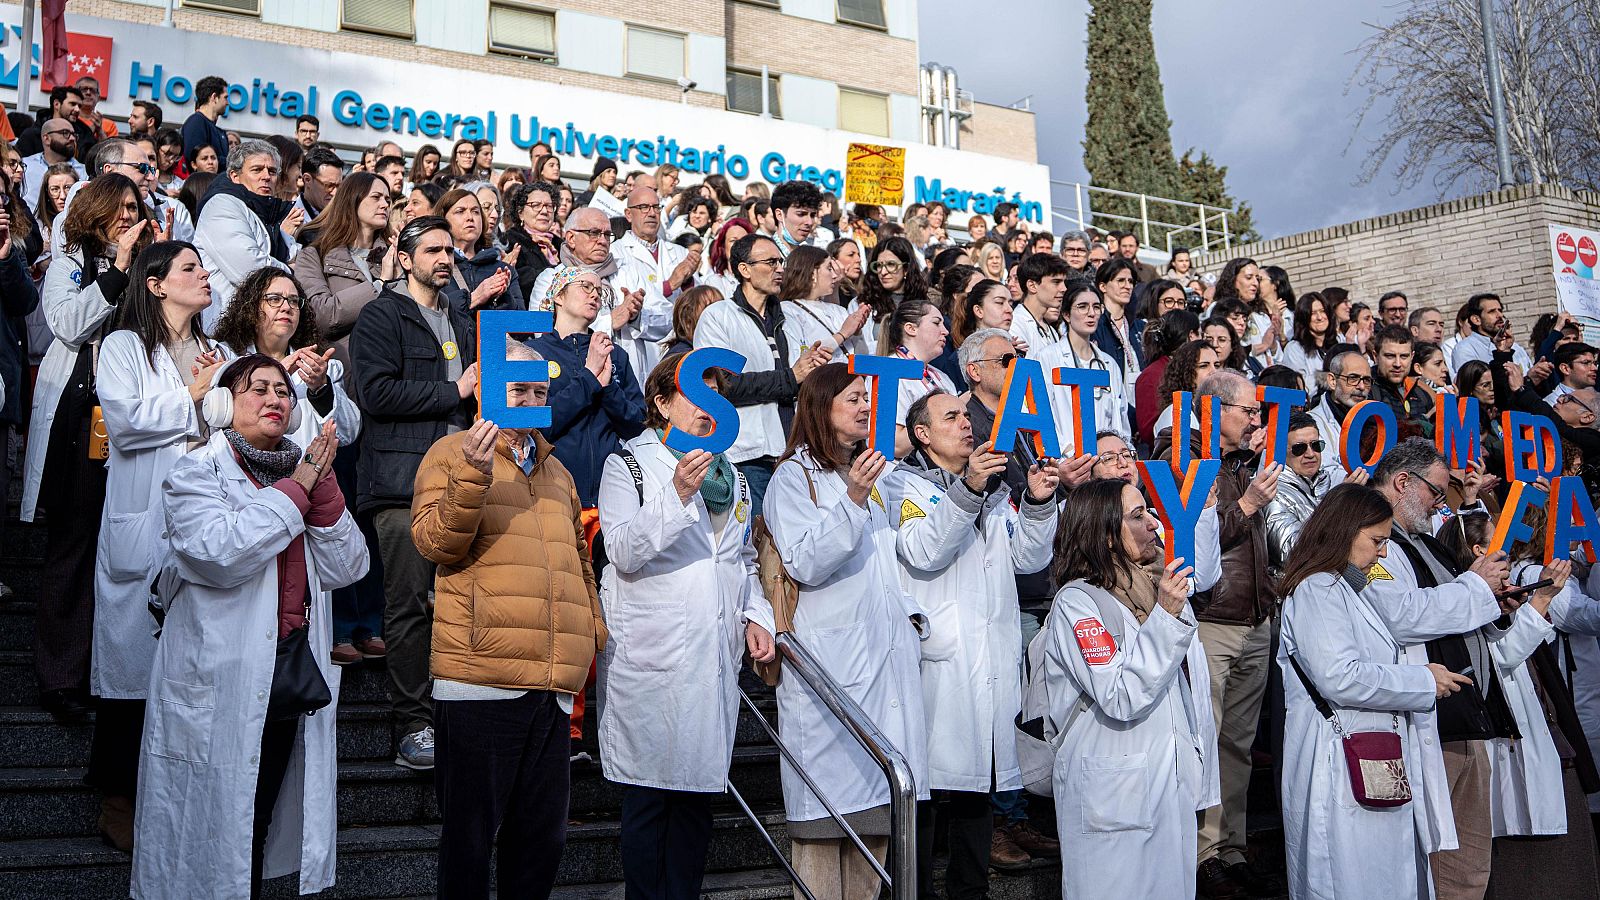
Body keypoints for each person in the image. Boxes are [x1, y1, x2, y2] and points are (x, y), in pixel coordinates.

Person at [131, 354, 367, 900]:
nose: (274, 399)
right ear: (224, 405)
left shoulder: (303, 474)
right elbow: (219, 551)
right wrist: (298, 489)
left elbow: (347, 567)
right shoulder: (195, 471)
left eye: (282, 391)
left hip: (282, 675)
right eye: (256, 389)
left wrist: (323, 491)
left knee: (254, 820)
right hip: (216, 678)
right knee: (206, 826)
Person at [409, 340, 605, 900]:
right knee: (469, 844)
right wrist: (472, 474)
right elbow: (434, 543)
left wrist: (592, 631)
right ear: (492, 392)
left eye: (539, 392)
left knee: (539, 845)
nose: (528, 400)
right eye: (517, 389)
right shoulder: (451, 453)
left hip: (551, 685)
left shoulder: (559, 472)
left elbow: (580, 561)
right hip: (479, 681)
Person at [596, 356, 775, 899]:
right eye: (697, 393)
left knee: (696, 807)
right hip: (651, 660)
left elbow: (742, 560)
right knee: (649, 805)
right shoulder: (626, 465)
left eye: (717, 394)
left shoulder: (735, 478)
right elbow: (623, 551)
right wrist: (675, 495)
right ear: (662, 403)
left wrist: (756, 616)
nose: (709, 407)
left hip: (710, 660)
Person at [764, 362, 930, 892]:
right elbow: (805, 563)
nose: (865, 406)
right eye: (853, 398)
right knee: (821, 865)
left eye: (867, 398)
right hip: (829, 682)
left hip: (881, 676)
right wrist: (852, 500)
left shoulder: (878, 474)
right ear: (820, 408)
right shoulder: (792, 477)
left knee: (871, 867)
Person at [892, 390, 1057, 897]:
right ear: (922, 434)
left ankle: (971, 892)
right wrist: (968, 489)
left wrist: (1036, 500)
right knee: (923, 792)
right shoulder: (900, 486)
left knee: (976, 790)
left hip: (987, 658)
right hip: (935, 657)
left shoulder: (994, 489)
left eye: (967, 415)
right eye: (952, 416)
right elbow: (924, 550)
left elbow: (1027, 559)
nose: (967, 423)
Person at [94, 241, 231, 852]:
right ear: (155, 284)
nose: (204, 276)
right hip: (144, 522)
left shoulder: (217, 352)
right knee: (132, 668)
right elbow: (123, 421)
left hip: (203, 519)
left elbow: (232, 418)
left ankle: (176, 801)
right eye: (190, 269)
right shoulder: (122, 345)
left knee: (192, 671)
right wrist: (195, 396)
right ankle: (118, 798)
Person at [1276, 482, 1475, 900]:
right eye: (1377, 541)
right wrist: (1423, 681)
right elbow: (1340, 677)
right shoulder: (1318, 589)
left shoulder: (1348, 588)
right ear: (1346, 531)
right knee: (1348, 878)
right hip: (1337, 756)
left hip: (1374, 748)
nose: (1383, 553)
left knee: (1381, 876)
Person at [22, 174, 154, 732]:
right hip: (79, 418)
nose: (128, 215)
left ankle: (109, 673)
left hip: (132, 419)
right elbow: (66, 323)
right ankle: (60, 677)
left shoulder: (150, 260)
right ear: (96, 209)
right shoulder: (71, 257)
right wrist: (118, 270)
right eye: (119, 206)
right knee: (74, 546)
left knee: (120, 548)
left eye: (134, 206)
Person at [350, 216, 480, 771]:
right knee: (407, 607)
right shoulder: (381, 315)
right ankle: (413, 723)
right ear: (405, 260)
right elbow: (376, 394)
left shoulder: (461, 317)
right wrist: (454, 390)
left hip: (464, 478)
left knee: (461, 604)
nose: (444, 258)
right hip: (404, 484)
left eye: (450, 249)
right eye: (431, 250)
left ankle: (455, 714)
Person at [1039, 478, 1211, 897]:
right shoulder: (1077, 604)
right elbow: (1121, 696)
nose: (1154, 524)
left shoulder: (1158, 591)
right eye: (1138, 516)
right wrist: (1167, 618)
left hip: (1164, 787)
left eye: (1149, 512)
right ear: (1105, 533)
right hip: (1113, 793)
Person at [1362, 439, 1517, 900]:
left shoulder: (1424, 542)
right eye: (1436, 490)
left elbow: (1456, 604)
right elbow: (1400, 614)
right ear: (1403, 481)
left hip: (1467, 713)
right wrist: (1475, 586)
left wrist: (1493, 599)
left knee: (1469, 859)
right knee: (1433, 859)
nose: (1439, 502)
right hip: (1427, 718)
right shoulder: (1372, 541)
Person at [1159, 370, 1283, 900]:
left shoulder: (1240, 459)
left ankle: (1231, 848)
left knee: (1236, 744)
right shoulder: (1181, 453)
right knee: (1205, 743)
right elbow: (1188, 531)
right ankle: (1201, 854)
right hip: (1212, 617)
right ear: (1214, 410)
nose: (1257, 421)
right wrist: (1250, 501)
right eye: (1248, 411)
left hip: (1253, 616)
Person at [693, 233, 829, 515]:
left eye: (781, 261)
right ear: (744, 269)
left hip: (795, 455)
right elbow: (720, 386)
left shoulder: (791, 320)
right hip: (747, 455)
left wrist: (814, 371)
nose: (780, 268)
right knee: (754, 545)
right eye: (771, 262)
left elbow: (800, 379)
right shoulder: (718, 316)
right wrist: (792, 377)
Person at [525, 265, 646, 509]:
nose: (595, 295)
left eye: (599, 291)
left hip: (611, 495)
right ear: (558, 296)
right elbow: (536, 427)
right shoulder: (533, 354)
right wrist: (589, 378)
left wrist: (609, 388)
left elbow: (637, 425)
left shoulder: (615, 354)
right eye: (586, 287)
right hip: (554, 492)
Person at [293, 171, 396, 382]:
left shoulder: (394, 257)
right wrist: (379, 285)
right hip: (345, 372)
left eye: (387, 199)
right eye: (376, 197)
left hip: (392, 372)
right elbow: (320, 315)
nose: (385, 204)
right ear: (352, 200)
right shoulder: (314, 255)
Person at [193, 140, 299, 325]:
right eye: (257, 170)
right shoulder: (221, 205)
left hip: (259, 327)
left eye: (272, 171)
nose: (266, 176)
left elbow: (297, 255)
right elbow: (250, 268)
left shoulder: (269, 214)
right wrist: (290, 270)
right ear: (235, 176)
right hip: (224, 328)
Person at [607, 185, 696, 379]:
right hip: (638, 346)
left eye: (656, 207)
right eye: (644, 207)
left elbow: (692, 304)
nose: (652, 213)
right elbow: (632, 301)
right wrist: (669, 285)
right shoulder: (616, 254)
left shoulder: (679, 252)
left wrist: (688, 282)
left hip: (676, 345)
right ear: (629, 214)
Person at [1035, 280, 1130, 448]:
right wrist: (1065, 450)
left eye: (1096, 307)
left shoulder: (1109, 364)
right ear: (1066, 315)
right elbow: (1042, 413)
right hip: (1066, 458)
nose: (1091, 313)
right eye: (1082, 306)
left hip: (1105, 460)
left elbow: (1121, 419)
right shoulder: (1047, 357)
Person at [1265, 412, 1344, 580]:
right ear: (1281, 451)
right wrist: (1340, 508)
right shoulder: (1272, 493)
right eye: (1299, 448)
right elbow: (1293, 553)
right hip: (1297, 590)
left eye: (1316, 446)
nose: (1310, 454)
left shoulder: (1327, 483)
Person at [877, 298, 956, 457]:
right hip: (903, 476)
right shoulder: (889, 371)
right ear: (911, 328)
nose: (945, 331)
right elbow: (894, 444)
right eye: (936, 323)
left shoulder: (941, 377)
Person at [432, 187, 521, 313]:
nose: (470, 217)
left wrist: (502, 297)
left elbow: (522, 327)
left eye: (475, 211)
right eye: (460, 211)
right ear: (443, 219)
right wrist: (474, 298)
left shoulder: (503, 270)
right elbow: (427, 311)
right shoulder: (434, 265)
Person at [779, 245, 871, 362]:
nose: (834, 275)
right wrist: (843, 334)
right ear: (812, 274)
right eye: (829, 268)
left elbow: (863, 360)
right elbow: (800, 361)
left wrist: (857, 331)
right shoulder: (788, 310)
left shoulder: (839, 310)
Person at [1308, 349, 1372, 475]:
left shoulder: (1375, 420)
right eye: (1353, 378)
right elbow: (1323, 474)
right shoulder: (1313, 423)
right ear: (1332, 381)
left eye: (1366, 380)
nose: (1361, 387)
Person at [502, 182, 562, 300]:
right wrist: (557, 273)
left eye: (549, 206)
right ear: (520, 213)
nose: (544, 211)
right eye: (536, 205)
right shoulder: (510, 241)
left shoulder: (561, 245)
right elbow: (520, 279)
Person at [1371, 325, 1436, 431]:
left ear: (1412, 356)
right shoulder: (1366, 391)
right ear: (1375, 356)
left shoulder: (1421, 392)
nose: (1397, 364)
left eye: (1404, 356)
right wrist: (1424, 419)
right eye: (1390, 356)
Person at [1092, 256, 1145, 386]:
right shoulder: (1094, 325)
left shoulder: (1141, 327)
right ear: (1103, 286)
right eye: (1120, 281)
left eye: (1131, 281)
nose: (1127, 286)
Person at [1009, 252, 1070, 356]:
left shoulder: (1051, 330)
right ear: (1032, 285)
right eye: (1056, 282)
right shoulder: (1015, 324)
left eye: (1064, 282)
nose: (1064, 289)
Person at [21, 118, 86, 212]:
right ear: (46, 138)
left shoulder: (84, 172)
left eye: (74, 135)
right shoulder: (25, 166)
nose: (72, 138)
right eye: (65, 133)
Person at [1280, 292, 1333, 393]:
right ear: (1304, 317)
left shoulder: (1339, 341)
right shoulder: (1294, 348)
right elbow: (1299, 385)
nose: (1320, 317)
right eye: (1313, 313)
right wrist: (1329, 378)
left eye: (1323, 311)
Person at [1450, 293, 1510, 371]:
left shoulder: (1513, 346)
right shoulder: (1465, 349)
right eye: (1492, 311)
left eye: (1500, 310)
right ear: (1476, 320)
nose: (1500, 315)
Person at [180, 75, 231, 170]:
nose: (228, 103)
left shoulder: (220, 132)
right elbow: (193, 157)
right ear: (214, 97)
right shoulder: (196, 122)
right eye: (225, 98)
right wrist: (233, 162)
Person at [771, 179, 824, 258]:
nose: (809, 222)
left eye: (812, 215)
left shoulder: (811, 257)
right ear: (779, 215)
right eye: (801, 214)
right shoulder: (763, 254)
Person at [295, 147, 343, 223]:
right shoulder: (286, 218)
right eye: (329, 186)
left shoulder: (344, 219)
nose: (335, 193)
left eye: (339, 186)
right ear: (307, 180)